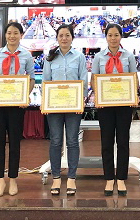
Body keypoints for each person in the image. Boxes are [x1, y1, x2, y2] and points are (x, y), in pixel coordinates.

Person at [0, 22, 35, 197]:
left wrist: (25, 96)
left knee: (15, 142)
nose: (12, 36)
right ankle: (0, 180)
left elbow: (31, 79)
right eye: (9, 33)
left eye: (15, 33)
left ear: (21, 35)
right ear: (5, 35)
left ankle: (13, 178)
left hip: (16, 106)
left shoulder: (27, 55)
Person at [91, 23, 137, 196]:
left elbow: (134, 78)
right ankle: (109, 178)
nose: (113, 38)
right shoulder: (98, 57)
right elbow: (94, 80)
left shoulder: (129, 56)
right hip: (106, 106)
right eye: (110, 35)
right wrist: (99, 95)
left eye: (116, 35)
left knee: (123, 141)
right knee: (107, 142)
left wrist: (133, 94)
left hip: (124, 105)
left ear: (121, 37)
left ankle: (122, 178)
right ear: (106, 37)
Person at [42, 24, 88, 196]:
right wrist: (46, 101)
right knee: (55, 141)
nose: (64, 38)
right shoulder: (50, 57)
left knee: (72, 141)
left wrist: (81, 100)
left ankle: (71, 178)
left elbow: (84, 79)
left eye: (67, 35)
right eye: (61, 35)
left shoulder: (79, 57)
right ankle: (56, 177)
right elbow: (46, 81)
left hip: (73, 105)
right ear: (57, 38)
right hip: (54, 105)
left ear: (72, 38)